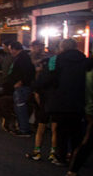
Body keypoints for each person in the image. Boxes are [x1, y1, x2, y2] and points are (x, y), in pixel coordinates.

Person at [35, 38, 92, 167]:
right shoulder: (85, 61)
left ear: (62, 48)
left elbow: (46, 79)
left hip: (59, 102)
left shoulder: (55, 61)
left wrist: (37, 87)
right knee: (76, 131)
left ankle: (61, 156)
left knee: (61, 131)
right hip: (78, 102)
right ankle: (74, 155)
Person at [62, 67, 93, 176]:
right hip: (89, 110)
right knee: (87, 142)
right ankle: (72, 172)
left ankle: (72, 172)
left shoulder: (86, 72)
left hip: (85, 109)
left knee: (87, 142)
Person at [5, 41, 35, 136]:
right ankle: (22, 127)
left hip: (22, 87)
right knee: (19, 108)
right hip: (19, 86)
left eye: (10, 49)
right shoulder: (20, 57)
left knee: (21, 108)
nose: (10, 52)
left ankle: (24, 129)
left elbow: (28, 72)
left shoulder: (23, 58)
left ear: (14, 49)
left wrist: (21, 81)